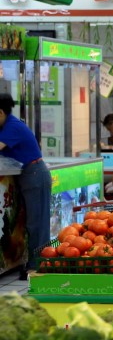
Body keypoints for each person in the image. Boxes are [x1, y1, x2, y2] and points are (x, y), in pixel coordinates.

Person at [0, 94, 52, 271]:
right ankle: (35, 262)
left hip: (35, 175)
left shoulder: (12, 127)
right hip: (30, 175)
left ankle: (38, 265)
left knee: (37, 223)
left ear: (0, 113)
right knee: (32, 222)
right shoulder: (8, 124)